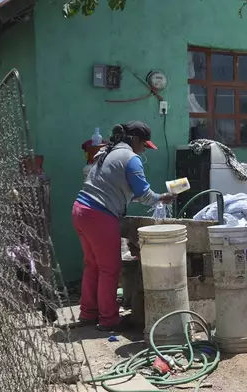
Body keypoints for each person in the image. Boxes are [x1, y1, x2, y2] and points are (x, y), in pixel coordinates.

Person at [72, 121, 176, 332]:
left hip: (81, 210)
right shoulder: (131, 159)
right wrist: (163, 198)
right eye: (144, 145)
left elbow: (122, 190)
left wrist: (153, 198)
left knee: (93, 265)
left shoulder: (107, 153)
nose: (144, 149)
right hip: (99, 215)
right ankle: (109, 320)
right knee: (110, 268)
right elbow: (145, 195)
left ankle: (88, 313)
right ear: (135, 140)